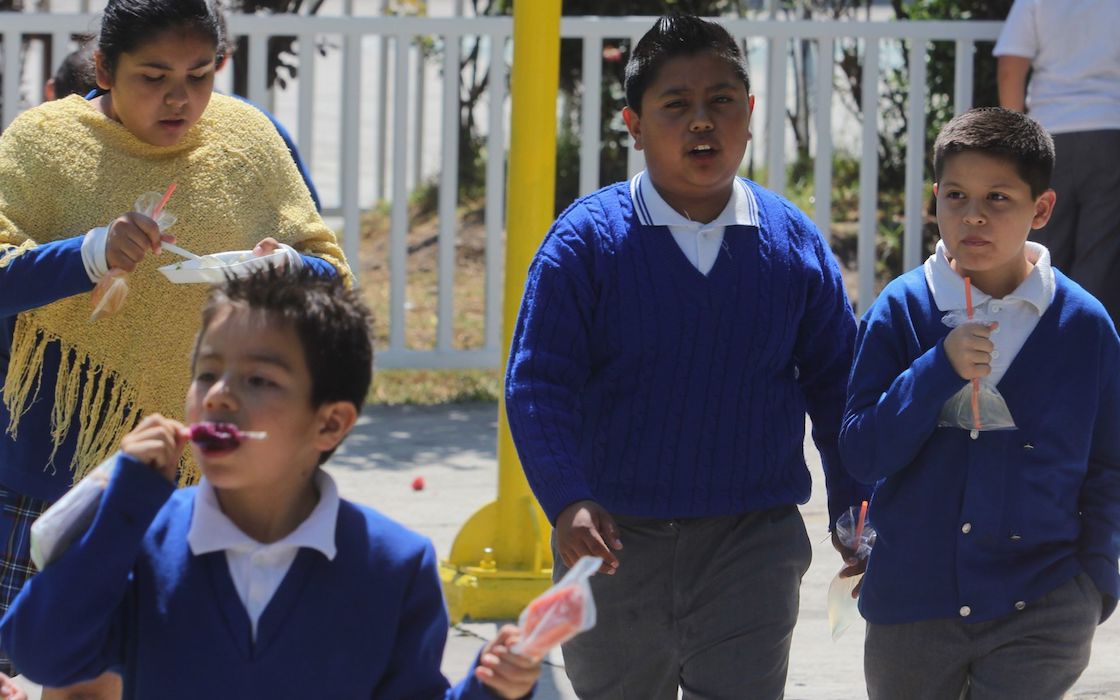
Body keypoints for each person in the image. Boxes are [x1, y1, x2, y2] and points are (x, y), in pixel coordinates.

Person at [504, 12, 868, 699]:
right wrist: (567, 500)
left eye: (721, 101)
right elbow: (537, 385)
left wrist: (856, 502)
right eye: (676, 105)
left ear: (751, 113)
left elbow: (837, 384)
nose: (703, 122)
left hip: (752, 544)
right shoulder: (585, 246)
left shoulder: (793, 246)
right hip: (612, 547)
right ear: (634, 124)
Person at [0, 0, 348, 694]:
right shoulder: (41, 144)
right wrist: (89, 253)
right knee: (68, 666)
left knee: (178, 669)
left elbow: (330, 272)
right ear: (103, 68)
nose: (179, 97)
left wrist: (284, 271)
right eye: (153, 76)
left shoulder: (250, 139)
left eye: (199, 73)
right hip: (55, 452)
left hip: (207, 460)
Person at [0, 268, 541, 698]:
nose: (219, 396)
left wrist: (488, 690)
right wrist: (122, 509)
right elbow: (41, 655)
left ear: (329, 423)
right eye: (207, 373)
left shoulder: (393, 566)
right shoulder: (142, 536)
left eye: (259, 380)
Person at [840, 107, 1120, 699]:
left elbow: (1109, 465)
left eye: (998, 197)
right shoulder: (899, 310)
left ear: (1041, 209)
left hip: (1042, 605)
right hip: (911, 607)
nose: (973, 216)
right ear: (933, 198)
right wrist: (936, 369)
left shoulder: (1085, 325)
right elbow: (862, 451)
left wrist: (1095, 583)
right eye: (956, 196)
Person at [994, 0, 1120, 326]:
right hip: (1110, 132)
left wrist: (1015, 142)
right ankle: (1094, 348)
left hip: (1047, 135)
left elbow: (1011, 67)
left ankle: (1037, 344)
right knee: (1102, 256)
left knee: (1041, 250)